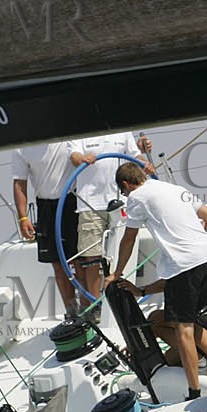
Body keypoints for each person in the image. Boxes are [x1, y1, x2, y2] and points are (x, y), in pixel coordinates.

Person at [106, 163, 207, 400]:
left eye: (124, 192)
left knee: (183, 328)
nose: (126, 196)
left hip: (185, 265)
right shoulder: (173, 188)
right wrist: (201, 247)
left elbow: (128, 239)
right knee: (184, 320)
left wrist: (116, 274)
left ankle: (195, 390)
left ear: (126, 185)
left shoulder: (137, 197)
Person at [12, 139, 89, 317]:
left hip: (74, 200)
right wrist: (23, 217)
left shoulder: (67, 136)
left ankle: (88, 309)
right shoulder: (21, 146)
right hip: (45, 206)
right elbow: (19, 182)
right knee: (58, 263)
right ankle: (71, 312)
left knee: (80, 260)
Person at [71, 130, 145, 307]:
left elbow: (135, 155)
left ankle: (126, 301)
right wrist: (82, 159)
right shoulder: (78, 130)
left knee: (124, 247)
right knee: (92, 258)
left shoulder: (122, 130)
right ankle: (98, 306)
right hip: (89, 203)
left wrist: (145, 163)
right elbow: (74, 156)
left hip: (122, 200)